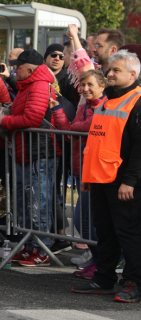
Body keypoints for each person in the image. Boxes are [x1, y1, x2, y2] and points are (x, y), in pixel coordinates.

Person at [73, 51, 141, 302]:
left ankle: (134, 283)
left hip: (124, 182)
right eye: (109, 70)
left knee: (129, 234)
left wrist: (130, 181)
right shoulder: (107, 100)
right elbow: (97, 143)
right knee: (106, 233)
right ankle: (104, 279)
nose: (109, 74)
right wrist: (88, 176)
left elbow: (139, 148)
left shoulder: (137, 101)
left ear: (133, 75)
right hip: (101, 179)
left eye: (116, 71)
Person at [0, 47, 58, 265]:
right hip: (26, 151)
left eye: (17, 68)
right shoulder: (28, 86)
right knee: (26, 202)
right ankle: (30, 246)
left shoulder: (38, 86)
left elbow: (31, 118)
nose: (14, 72)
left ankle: (41, 248)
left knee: (38, 202)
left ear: (29, 70)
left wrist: (3, 121)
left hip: (38, 152)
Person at [52, 68, 105, 276]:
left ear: (102, 86)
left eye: (90, 84)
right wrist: (56, 108)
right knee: (84, 222)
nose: (85, 89)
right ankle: (99, 261)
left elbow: (80, 129)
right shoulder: (85, 107)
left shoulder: (103, 108)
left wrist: (73, 129)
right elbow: (69, 132)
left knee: (86, 222)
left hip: (94, 172)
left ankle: (103, 262)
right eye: (82, 85)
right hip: (80, 170)